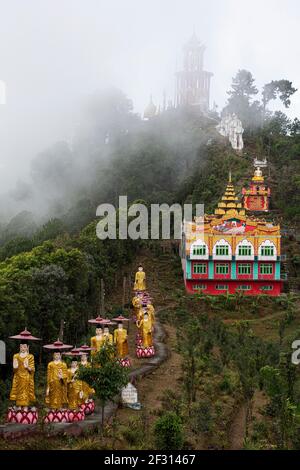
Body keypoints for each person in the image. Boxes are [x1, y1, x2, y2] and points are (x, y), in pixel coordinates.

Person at [10, 343, 35, 407]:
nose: (23, 348)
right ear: (19, 347)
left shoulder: (30, 356)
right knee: (18, 391)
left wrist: (27, 367)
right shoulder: (16, 356)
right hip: (18, 377)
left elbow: (33, 369)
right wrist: (15, 367)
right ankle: (18, 406)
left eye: (24, 347)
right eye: (21, 347)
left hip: (27, 377)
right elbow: (14, 370)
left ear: (27, 347)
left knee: (26, 392)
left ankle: (26, 407)